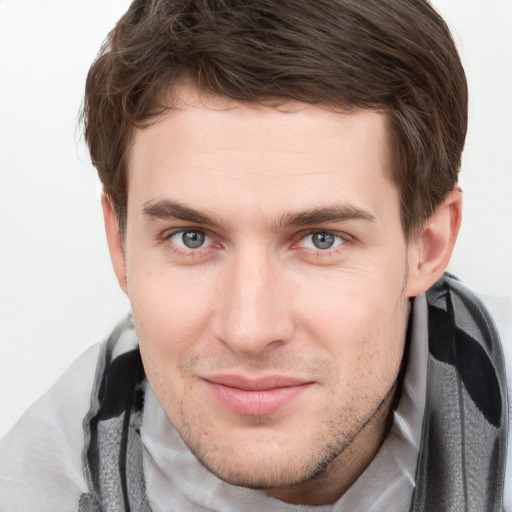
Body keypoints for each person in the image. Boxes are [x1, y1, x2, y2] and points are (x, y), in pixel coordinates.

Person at [0, 0, 510, 510]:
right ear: (120, 244)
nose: (249, 330)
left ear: (428, 247)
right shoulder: (41, 485)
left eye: (321, 239)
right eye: (191, 237)